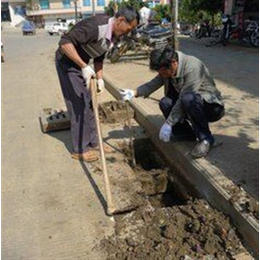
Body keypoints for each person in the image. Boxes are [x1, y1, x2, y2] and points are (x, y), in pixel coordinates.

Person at [56, 7, 139, 162]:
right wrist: (83, 66)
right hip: (67, 62)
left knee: (91, 103)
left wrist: (100, 78)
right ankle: (80, 149)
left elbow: (99, 57)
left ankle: (94, 142)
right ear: (121, 20)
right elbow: (64, 42)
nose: (129, 31)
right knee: (79, 104)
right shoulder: (96, 26)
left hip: (82, 64)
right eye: (130, 27)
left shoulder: (113, 36)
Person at [120, 46, 225, 158]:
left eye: (163, 72)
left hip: (211, 107)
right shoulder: (167, 66)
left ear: (174, 63)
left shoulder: (193, 66)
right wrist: (134, 92)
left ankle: (206, 139)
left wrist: (169, 123)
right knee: (165, 102)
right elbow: (154, 83)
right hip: (188, 102)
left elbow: (184, 98)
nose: (162, 75)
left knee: (188, 99)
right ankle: (185, 134)